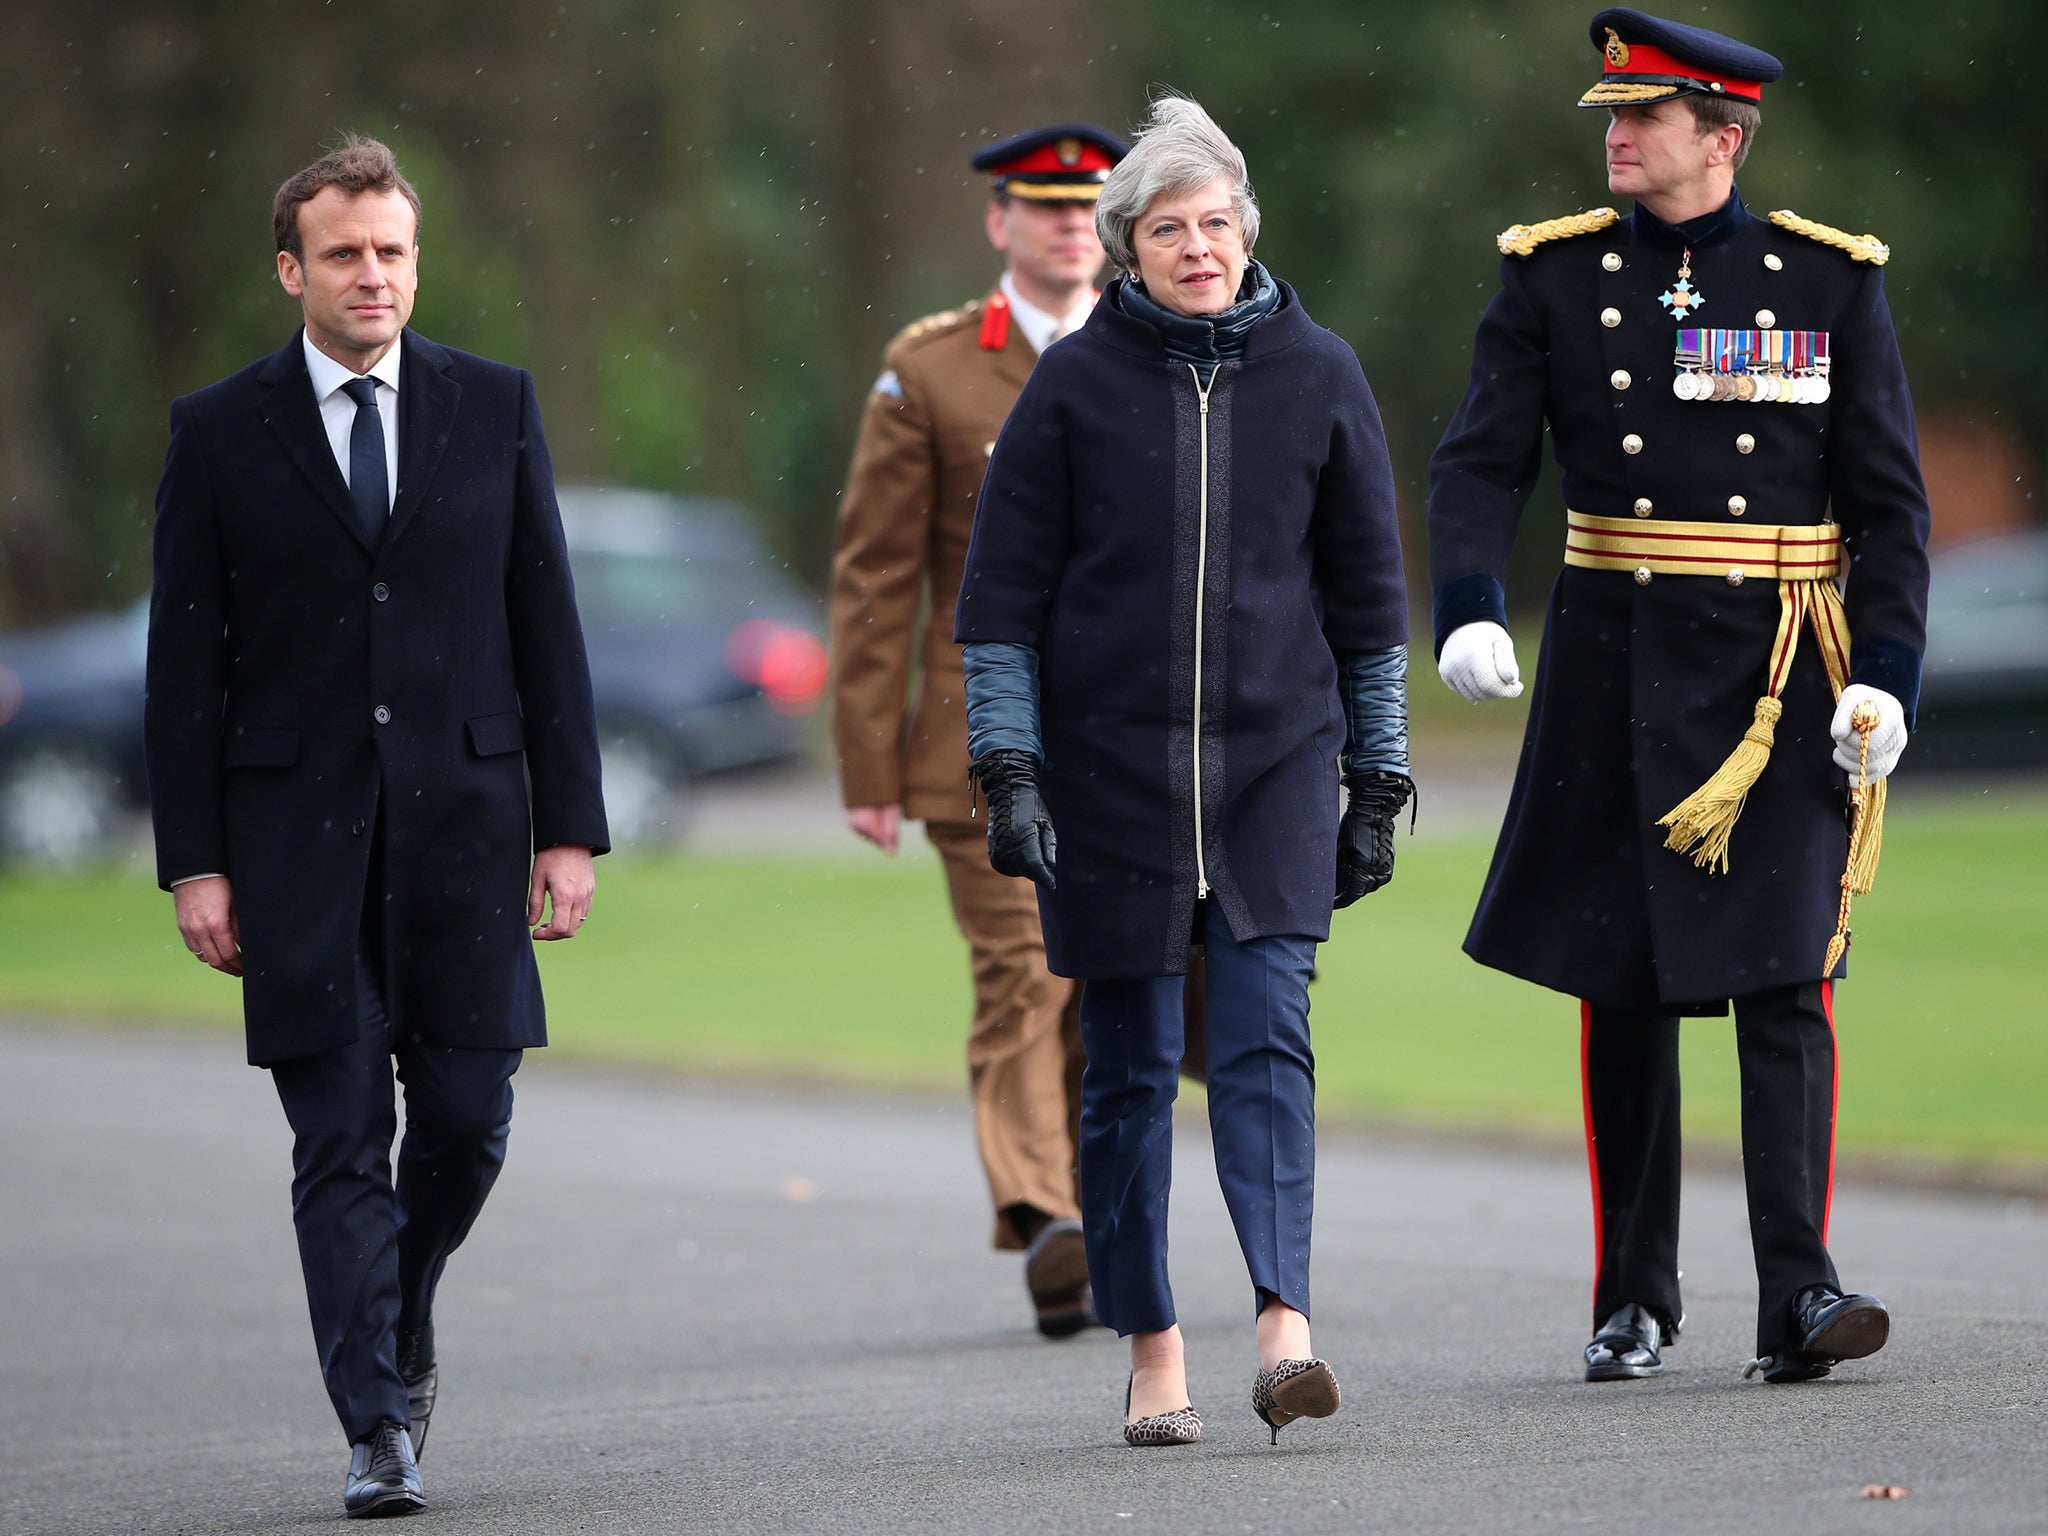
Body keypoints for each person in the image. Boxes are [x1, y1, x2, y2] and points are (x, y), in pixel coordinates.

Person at [1426, 8, 1930, 1386]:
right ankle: (1633, 1298)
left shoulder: (1828, 283)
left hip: (1781, 676)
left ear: (1724, 136)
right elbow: (1478, 461)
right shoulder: (1551, 277)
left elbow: (1889, 507)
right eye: (1609, 114)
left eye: (1640, 117)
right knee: (1624, 987)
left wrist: (1884, 675)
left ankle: (1801, 1295)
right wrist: (1467, 601)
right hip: (1613, 661)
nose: (1614, 134)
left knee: (1787, 983)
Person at [145, 136, 608, 1517]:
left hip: (470, 831)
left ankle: (397, 1312)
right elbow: (185, 672)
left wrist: (569, 828)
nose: (373, 275)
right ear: (293, 269)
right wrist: (196, 862)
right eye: (344, 252)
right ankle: (374, 1427)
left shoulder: (495, 406)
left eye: (392, 251)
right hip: (294, 848)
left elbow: (548, 629)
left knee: (466, 1124)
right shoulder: (220, 432)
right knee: (339, 1138)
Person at [955, 93, 1413, 1446]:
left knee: (1271, 1043)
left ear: (1247, 231)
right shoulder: (1072, 387)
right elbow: (998, 604)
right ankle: (1153, 1343)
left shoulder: (1321, 372)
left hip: (1277, 770)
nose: (1199, 248)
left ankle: (1286, 1328)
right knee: (1132, 1068)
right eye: (1170, 229)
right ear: (1126, 246)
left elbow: (1370, 601)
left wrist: (1378, 778)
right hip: (1108, 780)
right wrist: (1009, 769)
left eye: (1217, 223)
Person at [828, 122, 1129, 1337]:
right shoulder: (933, 369)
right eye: (1043, 207)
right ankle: (1052, 1219)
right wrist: (869, 762)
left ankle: (1089, 1215)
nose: (1067, 226)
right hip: (977, 742)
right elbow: (873, 577)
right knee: (1022, 975)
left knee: (1106, 982)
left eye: (1086, 208)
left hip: (1131, 736)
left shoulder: (1161, 345)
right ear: (998, 223)